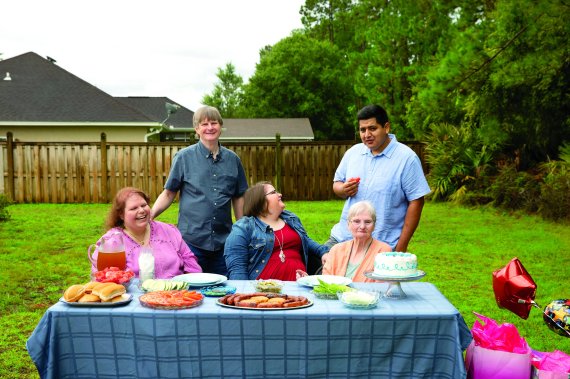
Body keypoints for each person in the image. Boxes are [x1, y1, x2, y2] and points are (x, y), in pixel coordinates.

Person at [151, 106, 248, 276]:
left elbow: (239, 197)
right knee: (192, 293)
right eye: (204, 124)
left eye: (214, 123)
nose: (209, 127)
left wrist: (242, 230)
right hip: (191, 243)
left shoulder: (233, 160)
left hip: (224, 243)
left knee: (223, 290)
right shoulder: (183, 157)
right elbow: (168, 193)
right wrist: (149, 216)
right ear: (197, 130)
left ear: (220, 126)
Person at [328, 104, 431, 252]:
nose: (367, 134)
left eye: (372, 128)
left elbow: (416, 202)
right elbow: (336, 184)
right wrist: (343, 189)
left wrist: (401, 248)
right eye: (362, 130)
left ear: (386, 127)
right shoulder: (353, 153)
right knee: (319, 273)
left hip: (381, 245)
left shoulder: (406, 158)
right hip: (343, 239)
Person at [224, 182, 330, 281]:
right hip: (262, 294)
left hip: (298, 289)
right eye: (273, 192)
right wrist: (245, 295)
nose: (280, 194)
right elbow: (237, 269)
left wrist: (323, 252)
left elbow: (306, 241)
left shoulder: (290, 219)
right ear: (260, 201)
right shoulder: (244, 227)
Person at [90, 187, 202, 278]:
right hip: (132, 300)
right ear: (121, 215)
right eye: (134, 208)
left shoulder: (168, 231)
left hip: (175, 297)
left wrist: (192, 284)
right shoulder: (112, 241)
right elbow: (101, 276)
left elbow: (190, 261)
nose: (142, 210)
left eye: (144, 205)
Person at [322, 201, 391, 282]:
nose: (362, 226)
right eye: (356, 221)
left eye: (368, 222)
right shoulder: (336, 250)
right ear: (348, 224)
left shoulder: (383, 251)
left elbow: (382, 287)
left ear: (374, 226)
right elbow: (325, 282)